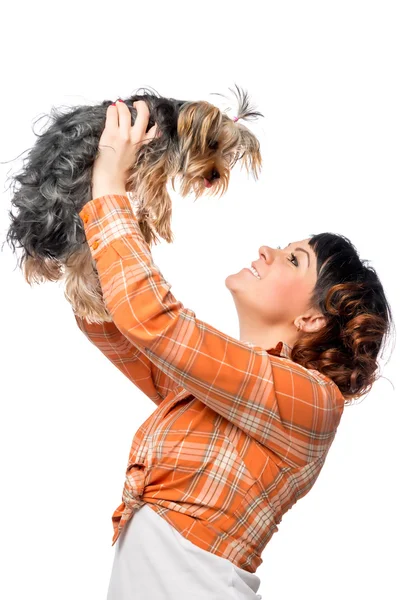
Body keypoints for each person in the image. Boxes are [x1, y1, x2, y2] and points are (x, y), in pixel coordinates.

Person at [74, 100, 393, 599]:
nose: (267, 250)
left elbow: (151, 320)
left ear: (312, 318)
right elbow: (114, 322)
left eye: (293, 258)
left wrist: (109, 184)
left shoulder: (312, 401)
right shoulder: (218, 394)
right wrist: (92, 202)